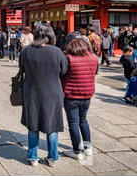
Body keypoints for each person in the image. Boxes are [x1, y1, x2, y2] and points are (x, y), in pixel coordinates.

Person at [19, 24, 68, 167]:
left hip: (32, 91)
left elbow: (21, 67)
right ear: (50, 35)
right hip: (52, 92)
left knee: (33, 125)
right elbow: (64, 70)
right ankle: (53, 157)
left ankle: (33, 157)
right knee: (52, 125)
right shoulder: (57, 52)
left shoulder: (26, 51)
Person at [62, 32, 98, 160]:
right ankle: (88, 148)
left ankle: (77, 151)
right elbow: (95, 73)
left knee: (73, 123)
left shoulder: (68, 58)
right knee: (83, 120)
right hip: (87, 94)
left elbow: (62, 74)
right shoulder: (94, 57)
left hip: (71, 95)